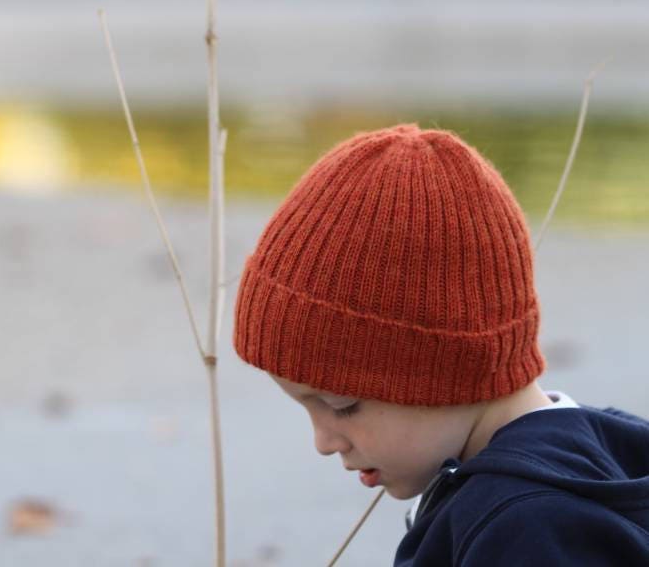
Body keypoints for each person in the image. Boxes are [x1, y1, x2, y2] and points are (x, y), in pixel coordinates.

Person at [232, 122, 649, 565]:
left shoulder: (525, 529)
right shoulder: (602, 452)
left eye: (341, 405)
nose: (323, 441)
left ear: (447, 370)